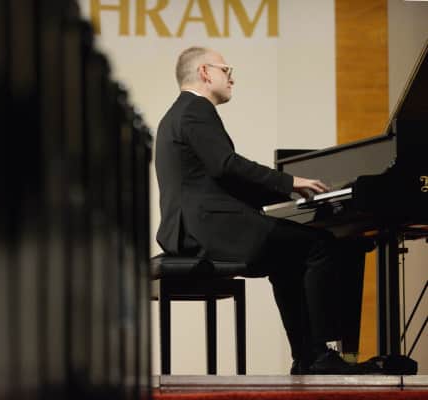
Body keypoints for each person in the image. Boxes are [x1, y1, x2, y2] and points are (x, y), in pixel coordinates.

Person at [155, 46, 370, 374]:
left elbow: (219, 176)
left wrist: (279, 197)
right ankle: (320, 353)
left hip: (193, 228)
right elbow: (227, 166)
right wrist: (289, 182)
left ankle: (306, 357)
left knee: (286, 260)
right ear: (204, 73)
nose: (232, 78)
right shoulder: (196, 109)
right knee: (320, 245)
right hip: (210, 228)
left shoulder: (177, 113)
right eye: (226, 70)